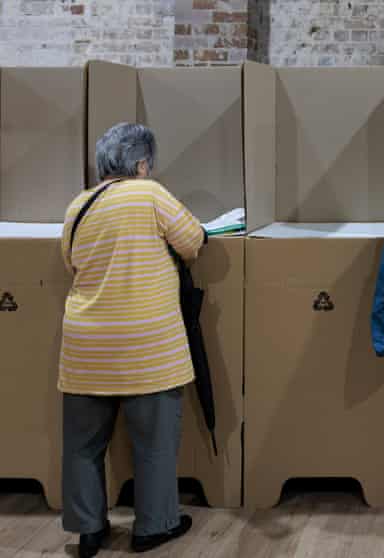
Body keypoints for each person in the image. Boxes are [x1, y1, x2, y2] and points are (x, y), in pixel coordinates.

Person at [59, 123, 206, 557]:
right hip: (147, 346)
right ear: (142, 163)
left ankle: (88, 531)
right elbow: (192, 241)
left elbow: (69, 262)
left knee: (84, 446)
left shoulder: (78, 204)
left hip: (86, 345)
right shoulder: (150, 194)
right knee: (154, 444)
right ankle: (153, 527)